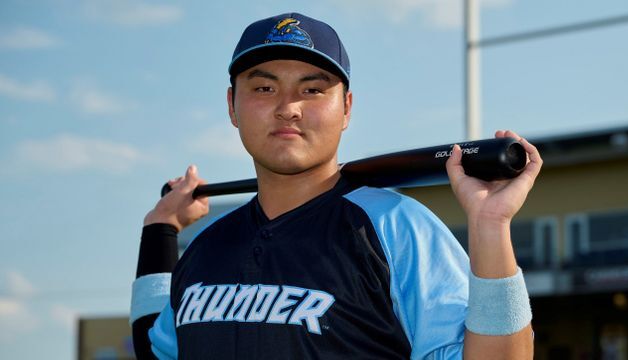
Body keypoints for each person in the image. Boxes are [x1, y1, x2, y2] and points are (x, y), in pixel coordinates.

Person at [130, 12, 541, 359]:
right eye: (264, 88)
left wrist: (490, 226)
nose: (288, 108)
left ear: (345, 108)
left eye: (312, 89)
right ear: (231, 106)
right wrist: (159, 232)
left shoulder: (396, 227)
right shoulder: (206, 248)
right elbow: (153, 349)